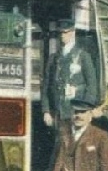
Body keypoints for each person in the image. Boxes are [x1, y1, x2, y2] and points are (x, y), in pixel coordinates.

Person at [41, 18, 98, 151]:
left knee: (76, 146)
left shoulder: (83, 56)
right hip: (58, 112)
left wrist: (86, 110)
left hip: (76, 111)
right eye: (60, 33)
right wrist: (46, 111)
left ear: (73, 33)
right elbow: (46, 87)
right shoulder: (54, 58)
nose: (62, 36)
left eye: (66, 33)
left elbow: (92, 86)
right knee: (60, 146)